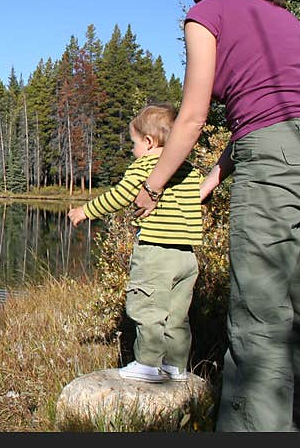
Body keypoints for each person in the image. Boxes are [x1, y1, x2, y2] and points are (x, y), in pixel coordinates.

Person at [133, 0, 300, 431]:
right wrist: (218, 172)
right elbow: (284, 105)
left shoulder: (205, 14)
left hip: (274, 167)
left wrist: (153, 186)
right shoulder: (285, 18)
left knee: (260, 323)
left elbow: (191, 119)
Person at [69, 103, 203, 383]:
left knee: (148, 308)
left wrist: (84, 211)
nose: (132, 150)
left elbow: (120, 195)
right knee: (178, 315)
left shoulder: (146, 167)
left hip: (156, 250)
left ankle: (149, 364)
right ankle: (176, 367)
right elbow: (201, 197)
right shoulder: (189, 170)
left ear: (149, 142)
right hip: (187, 256)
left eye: (134, 143)